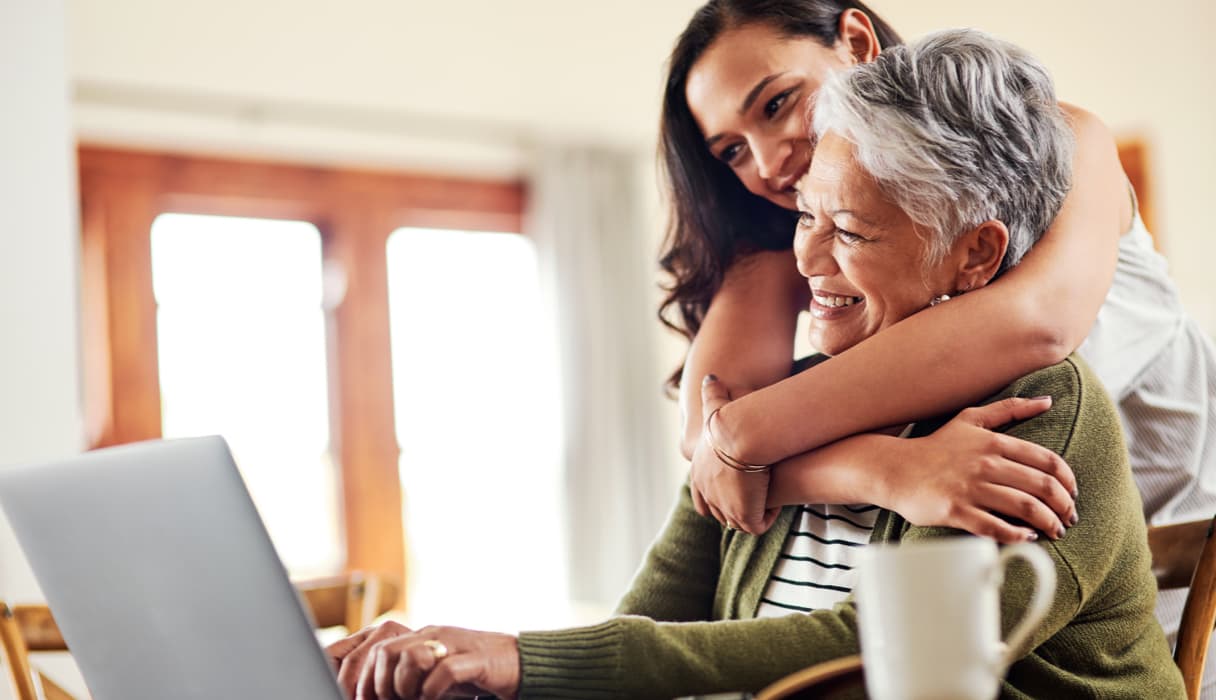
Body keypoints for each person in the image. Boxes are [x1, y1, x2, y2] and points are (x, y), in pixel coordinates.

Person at [326, 30, 1185, 700]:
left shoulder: (1039, 412)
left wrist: (522, 661)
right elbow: (654, 615)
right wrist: (470, 663)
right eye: (804, 216)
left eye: (849, 231)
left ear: (973, 258)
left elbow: (874, 654)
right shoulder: (799, 395)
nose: (808, 260)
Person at [664, 0, 1216, 671]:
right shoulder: (795, 237)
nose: (769, 162)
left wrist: (746, 440)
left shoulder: (1056, 144)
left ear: (856, 40)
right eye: (732, 151)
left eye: (778, 103)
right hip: (1005, 590)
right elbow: (708, 442)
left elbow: (1036, 325)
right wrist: (884, 471)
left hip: (1180, 582)